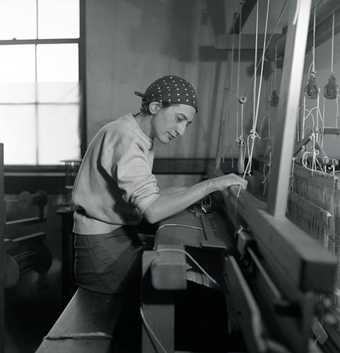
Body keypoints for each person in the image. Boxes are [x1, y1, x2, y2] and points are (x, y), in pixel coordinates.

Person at [72, 74, 247, 294]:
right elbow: (153, 210)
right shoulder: (126, 138)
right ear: (155, 107)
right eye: (179, 118)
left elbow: (150, 194)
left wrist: (194, 193)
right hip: (101, 243)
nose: (181, 131)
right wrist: (211, 185)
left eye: (187, 124)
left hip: (113, 235)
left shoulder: (136, 134)